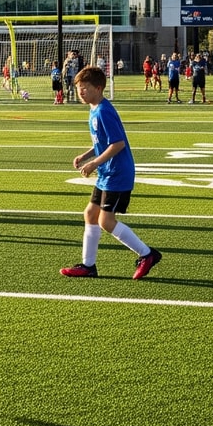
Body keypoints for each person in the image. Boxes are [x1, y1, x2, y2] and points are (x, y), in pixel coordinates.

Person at [59, 66, 162, 280]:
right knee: (90, 214)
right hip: (107, 173)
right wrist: (86, 155)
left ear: (98, 88)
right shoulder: (94, 109)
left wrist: (94, 163)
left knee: (106, 221)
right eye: (78, 88)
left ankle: (147, 254)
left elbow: (118, 144)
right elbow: (102, 141)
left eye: (85, 88)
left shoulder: (104, 111)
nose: (81, 92)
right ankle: (88, 266)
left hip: (117, 173)